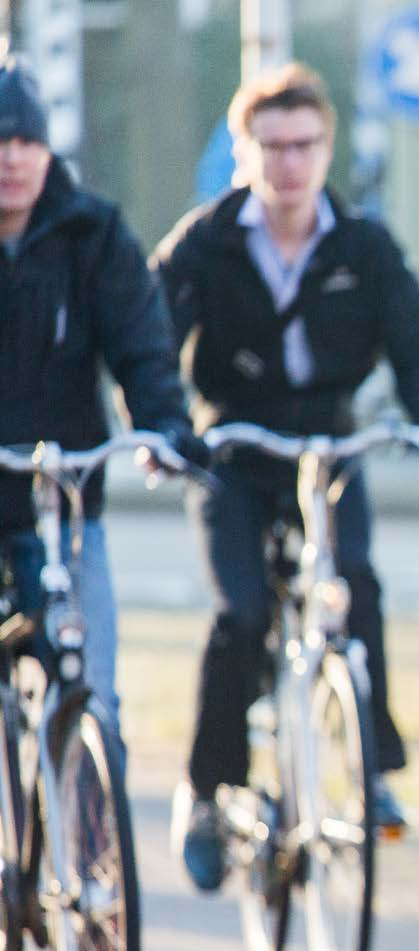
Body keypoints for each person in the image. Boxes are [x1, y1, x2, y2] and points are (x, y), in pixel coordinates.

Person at [152, 62, 419, 891]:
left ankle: (370, 769)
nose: (289, 162)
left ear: (327, 148)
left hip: (328, 450)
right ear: (243, 150)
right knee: (241, 614)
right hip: (235, 452)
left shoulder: (363, 246)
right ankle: (209, 790)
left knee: (356, 585)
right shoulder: (205, 242)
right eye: (272, 146)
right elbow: (150, 345)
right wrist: (164, 431)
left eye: (304, 145)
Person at [0, 55, 199, 732]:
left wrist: (163, 424)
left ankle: (88, 828)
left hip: (67, 497)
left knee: (94, 702)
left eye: (26, 140)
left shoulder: (94, 230)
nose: (13, 157)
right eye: (0, 141)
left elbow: (140, 343)